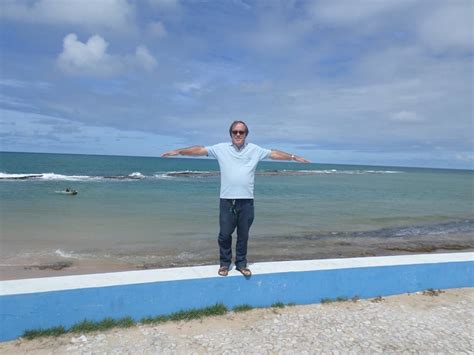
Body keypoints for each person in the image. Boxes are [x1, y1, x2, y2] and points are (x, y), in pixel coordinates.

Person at [161, 121, 309, 277]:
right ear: (230, 133)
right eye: (235, 132)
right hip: (227, 200)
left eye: (241, 132)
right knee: (224, 234)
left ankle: (241, 264)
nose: (238, 134)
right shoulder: (220, 149)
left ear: (246, 134)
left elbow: (274, 153)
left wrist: (293, 157)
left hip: (246, 201)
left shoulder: (255, 150)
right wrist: (179, 151)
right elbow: (199, 149)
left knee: (243, 235)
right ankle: (224, 264)